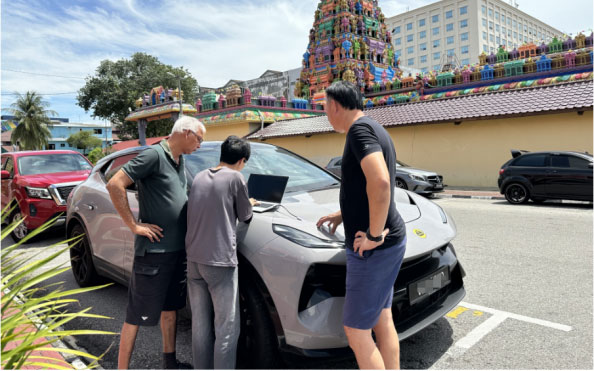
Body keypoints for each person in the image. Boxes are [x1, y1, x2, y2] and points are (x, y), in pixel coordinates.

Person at [316, 81, 407, 370]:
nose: (326, 115)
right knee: (382, 319)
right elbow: (365, 185)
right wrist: (343, 213)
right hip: (388, 241)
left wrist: (373, 235)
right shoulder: (374, 127)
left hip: (374, 248)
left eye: (324, 108)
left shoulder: (359, 131)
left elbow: (380, 183)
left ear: (334, 105)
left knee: (356, 331)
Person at [106, 115, 205, 369]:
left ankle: (169, 362)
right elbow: (115, 183)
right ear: (185, 133)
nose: (200, 145)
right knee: (136, 314)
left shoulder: (179, 160)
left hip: (177, 251)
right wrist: (133, 225)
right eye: (199, 138)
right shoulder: (153, 155)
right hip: (154, 252)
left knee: (170, 308)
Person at [185, 135, 257, 369]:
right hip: (219, 261)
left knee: (201, 323)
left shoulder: (199, 176)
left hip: (194, 258)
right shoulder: (236, 177)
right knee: (227, 327)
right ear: (242, 160)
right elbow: (245, 216)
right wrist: (251, 203)